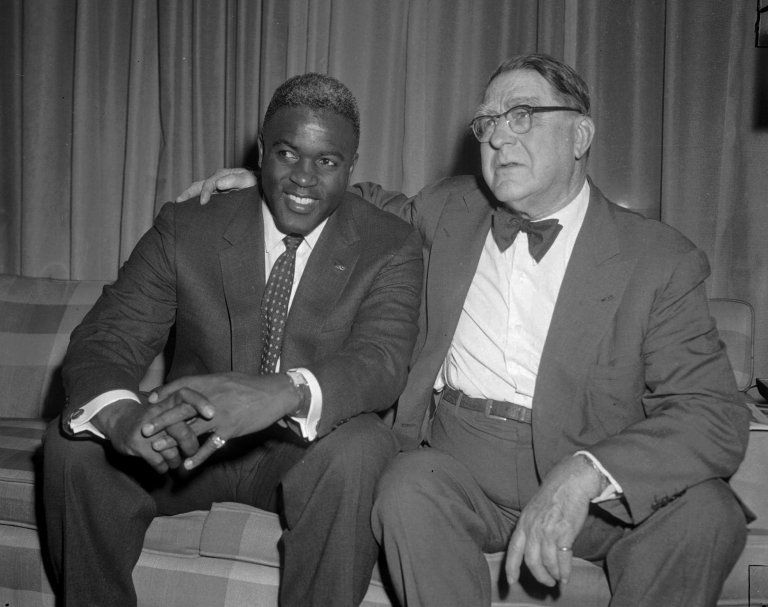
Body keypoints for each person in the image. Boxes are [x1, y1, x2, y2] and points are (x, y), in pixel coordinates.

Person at [178, 54, 751, 607]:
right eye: (487, 123)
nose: (498, 137)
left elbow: (713, 415)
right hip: (459, 468)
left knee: (709, 512)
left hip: (593, 489)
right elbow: (361, 204)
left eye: (522, 115)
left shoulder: (659, 260)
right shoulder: (448, 209)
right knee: (407, 488)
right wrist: (266, 183)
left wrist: (584, 476)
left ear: (580, 136)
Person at [42, 73, 423, 607]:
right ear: (261, 152)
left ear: (352, 166)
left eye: (327, 162)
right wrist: (120, 416)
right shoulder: (187, 226)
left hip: (302, 449)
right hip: (186, 440)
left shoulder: (391, 244)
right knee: (73, 444)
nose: (304, 180)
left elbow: (380, 361)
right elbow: (108, 337)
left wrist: (279, 393)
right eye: (288, 154)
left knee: (362, 449)